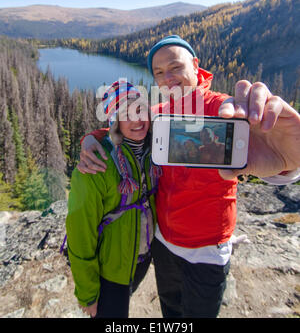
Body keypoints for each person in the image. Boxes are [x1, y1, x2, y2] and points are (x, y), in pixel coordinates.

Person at [77, 35, 300, 318]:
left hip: (207, 250)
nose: (167, 78)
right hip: (164, 243)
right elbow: (123, 127)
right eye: (159, 72)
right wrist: (92, 138)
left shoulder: (222, 109)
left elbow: (265, 156)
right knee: (171, 312)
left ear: (195, 66)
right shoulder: (156, 115)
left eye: (175, 67)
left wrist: (288, 162)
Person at [66, 80, 160, 318]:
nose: (137, 119)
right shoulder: (95, 165)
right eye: (126, 114)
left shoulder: (156, 149)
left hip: (140, 259)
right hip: (110, 271)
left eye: (140, 109)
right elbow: (80, 234)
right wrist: (88, 293)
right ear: (115, 122)